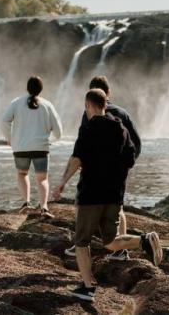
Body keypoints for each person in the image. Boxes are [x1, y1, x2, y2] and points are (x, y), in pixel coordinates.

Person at [52, 89, 162, 302]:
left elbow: (77, 159)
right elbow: (130, 159)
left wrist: (62, 183)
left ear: (88, 105)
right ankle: (144, 240)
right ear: (106, 103)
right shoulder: (121, 129)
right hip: (114, 194)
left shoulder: (88, 129)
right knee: (110, 241)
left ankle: (87, 287)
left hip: (91, 194)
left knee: (82, 242)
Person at [63, 76, 142, 261]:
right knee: (118, 208)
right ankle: (121, 250)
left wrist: (66, 177)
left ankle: (81, 244)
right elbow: (135, 144)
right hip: (117, 175)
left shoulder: (90, 115)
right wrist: (124, 167)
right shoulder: (122, 114)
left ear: (89, 101)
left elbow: (81, 148)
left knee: (82, 205)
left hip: (94, 177)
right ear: (108, 93)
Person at [1, 76, 62, 218]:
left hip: (20, 147)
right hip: (41, 147)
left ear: (27, 88)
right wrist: (49, 140)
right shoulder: (47, 105)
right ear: (41, 89)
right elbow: (58, 131)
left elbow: (4, 121)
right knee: (42, 179)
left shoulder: (16, 103)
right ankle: (44, 208)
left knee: (22, 174)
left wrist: (10, 139)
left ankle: (26, 203)